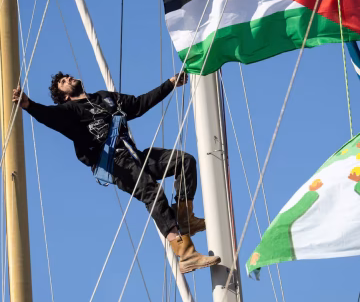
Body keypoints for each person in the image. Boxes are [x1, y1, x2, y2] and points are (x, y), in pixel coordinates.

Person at [12, 72, 219, 273]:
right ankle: (186, 254)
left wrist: (170, 84)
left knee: (184, 161)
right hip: (115, 164)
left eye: (67, 76)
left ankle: (184, 217)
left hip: (134, 156)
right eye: (63, 81)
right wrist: (29, 105)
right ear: (64, 96)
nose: (69, 78)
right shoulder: (70, 111)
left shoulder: (104, 98)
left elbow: (138, 104)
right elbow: (50, 116)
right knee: (152, 192)